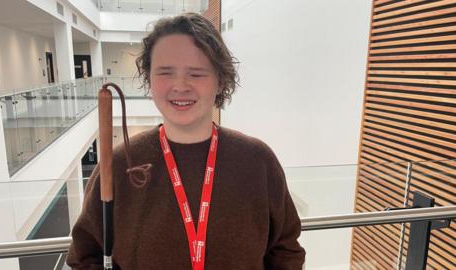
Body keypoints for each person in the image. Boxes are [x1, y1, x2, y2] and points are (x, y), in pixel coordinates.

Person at [67, 13, 305, 270]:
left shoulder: (258, 162)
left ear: (220, 79)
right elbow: (83, 257)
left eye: (197, 73)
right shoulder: (119, 165)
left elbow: (286, 251)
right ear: (149, 79)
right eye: (165, 72)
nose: (180, 85)